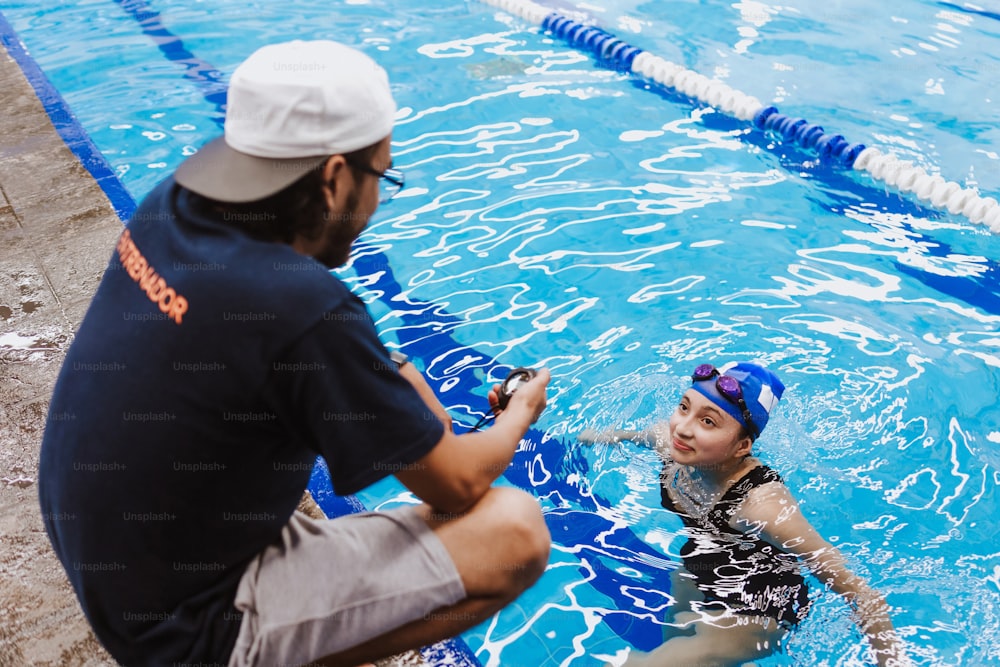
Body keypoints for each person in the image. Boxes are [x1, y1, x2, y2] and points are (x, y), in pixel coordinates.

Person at [38, 40, 551, 667]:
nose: (374, 208)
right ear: (335, 176)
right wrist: (518, 413)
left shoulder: (170, 206)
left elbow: (345, 369)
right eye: (381, 180)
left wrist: (400, 383)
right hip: (186, 627)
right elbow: (457, 486)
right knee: (514, 532)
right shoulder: (301, 309)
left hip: (112, 559)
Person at [579, 362, 909, 667]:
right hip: (703, 564)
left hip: (760, 606)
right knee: (671, 634)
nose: (683, 428)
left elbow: (859, 590)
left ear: (742, 446)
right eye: (684, 407)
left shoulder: (761, 505)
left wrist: (890, 659)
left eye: (708, 421)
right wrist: (600, 438)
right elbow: (633, 437)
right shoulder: (671, 442)